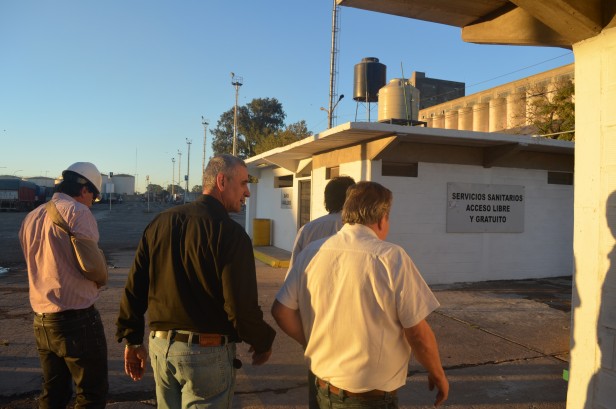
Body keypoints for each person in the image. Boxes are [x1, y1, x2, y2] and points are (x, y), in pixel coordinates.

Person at [116, 154, 276, 409]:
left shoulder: (160, 223)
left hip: (161, 350)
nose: (247, 192)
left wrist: (132, 339)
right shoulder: (231, 235)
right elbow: (240, 308)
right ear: (222, 181)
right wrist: (263, 341)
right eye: (244, 183)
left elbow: (135, 288)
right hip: (206, 356)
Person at [272, 181, 449, 408]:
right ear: (382, 218)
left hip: (321, 391)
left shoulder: (311, 251)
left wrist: (312, 342)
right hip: (368, 399)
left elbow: (281, 311)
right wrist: (438, 373)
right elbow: (417, 333)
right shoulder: (390, 257)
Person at [19, 162, 108, 408]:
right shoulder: (78, 212)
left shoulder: (31, 217)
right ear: (85, 190)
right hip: (77, 321)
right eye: (94, 197)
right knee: (91, 394)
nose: (92, 203)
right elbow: (93, 267)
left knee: (53, 393)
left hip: (42, 322)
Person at [288, 175, 355, 408]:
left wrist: (304, 336)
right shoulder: (360, 231)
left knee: (318, 384)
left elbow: (292, 284)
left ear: (327, 200)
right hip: (353, 325)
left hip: (315, 322)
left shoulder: (308, 230)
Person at [289, 176, 355, 268]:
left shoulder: (307, 229)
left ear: (327, 199)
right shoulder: (361, 229)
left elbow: (294, 269)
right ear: (353, 199)